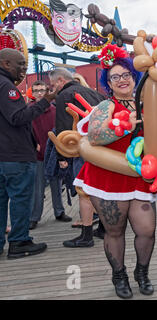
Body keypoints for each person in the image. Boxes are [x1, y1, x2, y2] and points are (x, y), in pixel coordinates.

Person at [73, 45, 157, 299]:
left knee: (147, 230)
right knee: (114, 231)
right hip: (107, 178)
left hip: (140, 176)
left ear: (134, 77)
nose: (121, 80)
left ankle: (142, 272)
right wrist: (121, 127)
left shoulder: (148, 104)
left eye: (126, 75)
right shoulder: (105, 106)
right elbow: (95, 136)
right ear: (108, 82)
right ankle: (119, 275)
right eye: (115, 77)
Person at [0, 48, 56, 258]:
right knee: (21, 199)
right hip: (15, 156)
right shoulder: (6, 87)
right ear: (6, 64)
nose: (24, 69)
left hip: (3, 155)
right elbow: (17, 117)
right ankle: (19, 241)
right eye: (21, 64)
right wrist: (45, 102)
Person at [49, 68, 105, 248]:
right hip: (102, 149)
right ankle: (104, 228)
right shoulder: (94, 93)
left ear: (60, 81)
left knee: (83, 191)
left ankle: (86, 235)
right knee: (99, 190)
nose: (53, 89)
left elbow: (63, 129)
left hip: (82, 149)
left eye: (53, 85)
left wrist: (62, 155)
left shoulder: (64, 96)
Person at [28, 80, 71, 230]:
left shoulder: (54, 110)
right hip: (37, 155)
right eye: (36, 90)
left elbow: (61, 130)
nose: (39, 93)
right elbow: (25, 132)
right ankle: (34, 216)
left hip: (53, 153)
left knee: (56, 184)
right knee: (37, 188)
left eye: (42, 90)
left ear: (47, 92)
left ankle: (59, 211)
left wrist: (62, 153)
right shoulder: (29, 110)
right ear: (32, 93)